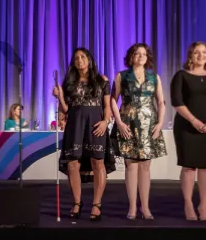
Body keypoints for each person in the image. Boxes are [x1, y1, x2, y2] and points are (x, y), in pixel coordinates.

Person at [52, 47, 111, 221]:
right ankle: (77, 203)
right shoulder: (69, 83)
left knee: (97, 162)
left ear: (89, 59)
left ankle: (96, 204)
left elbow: (107, 106)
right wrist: (60, 97)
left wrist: (105, 122)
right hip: (75, 125)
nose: (79, 60)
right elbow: (64, 109)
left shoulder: (102, 81)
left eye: (83, 56)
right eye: (76, 57)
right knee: (73, 164)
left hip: (96, 125)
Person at [170, 42, 206, 222]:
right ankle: (188, 204)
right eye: (196, 52)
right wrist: (194, 121)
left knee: (205, 167)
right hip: (187, 127)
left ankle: (204, 205)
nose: (200, 55)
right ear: (190, 56)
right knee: (188, 167)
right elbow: (177, 101)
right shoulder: (181, 76)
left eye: (204, 52)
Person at [113, 43, 167, 220]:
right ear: (131, 56)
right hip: (128, 123)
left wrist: (160, 123)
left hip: (148, 124)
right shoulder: (122, 76)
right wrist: (119, 122)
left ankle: (145, 207)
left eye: (144, 54)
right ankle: (132, 208)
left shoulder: (154, 77)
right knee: (130, 165)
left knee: (145, 166)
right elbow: (113, 100)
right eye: (137, 53)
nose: (140, 56)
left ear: (147, 57)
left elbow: (161, 102)